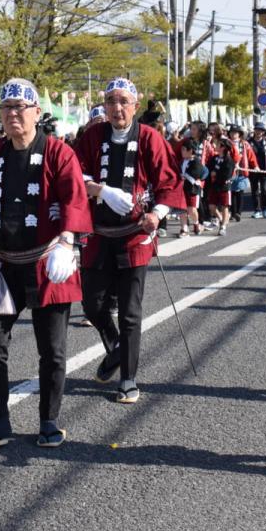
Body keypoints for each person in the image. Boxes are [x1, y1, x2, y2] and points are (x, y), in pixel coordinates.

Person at [0, 78, 91, 448]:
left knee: (52, 349)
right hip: (3, 264)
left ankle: (49, 420)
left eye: (20, 108)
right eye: (7, 108)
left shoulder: (58, 152)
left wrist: (67, 241)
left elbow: (74, 198)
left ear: (35, 112)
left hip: (49, 261)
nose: (13, 114)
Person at [72, 77, 184, 405]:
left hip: (136, 234)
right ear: (104, 106)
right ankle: (116, 347)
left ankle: (128, 378)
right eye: (111, 101)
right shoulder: (93, 136)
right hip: (99, 234)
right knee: (92, 304)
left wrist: (157, 214)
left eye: (123, 101)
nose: (117, 108)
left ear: (135, 105)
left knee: (130, 311)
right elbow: (75, 173)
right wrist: (101, 190)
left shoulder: (149, 138)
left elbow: (169, 180)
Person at [205, 137, 235, 236]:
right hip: (214, 186)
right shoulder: (214, 158)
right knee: (211, 206)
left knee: (224, 207)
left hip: (224, 186)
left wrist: (215, 174)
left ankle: (223, 227)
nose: (215, 146)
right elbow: (208, 169)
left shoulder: (229, 160)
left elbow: (227, 174)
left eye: (218, 145)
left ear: (223, 148)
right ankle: (221, 219)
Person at [248, 122, 266, 218]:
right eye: (257, 130)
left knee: (265, 190)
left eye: (260, 130)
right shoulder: (249, 142)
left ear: (263, 132)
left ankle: (265, 209)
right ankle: (257, 210)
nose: (258, 132)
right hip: (253, 169)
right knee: (255, 190)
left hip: (264, 169)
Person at [178, 140, 207, 237]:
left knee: (192, 209)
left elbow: (196, 174)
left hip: (192, 189)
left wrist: (184, 176)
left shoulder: (196, 162)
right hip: (182, 189)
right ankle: (184, 228)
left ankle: (196, 224)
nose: (181, 151)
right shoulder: (182, 161)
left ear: (191, 151)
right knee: (182, 209)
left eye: (184, 149)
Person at [226, 125, 255, 222]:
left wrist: (255, 166)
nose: (233, 134)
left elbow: (251, 156)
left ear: (239, 134)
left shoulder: (245, 144)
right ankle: (233, 213)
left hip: (242, 170)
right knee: (232, 192)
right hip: (230, 171)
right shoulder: (226, 143)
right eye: (232, 132)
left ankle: (238, 212)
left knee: (240, 191)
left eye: (235, 132)